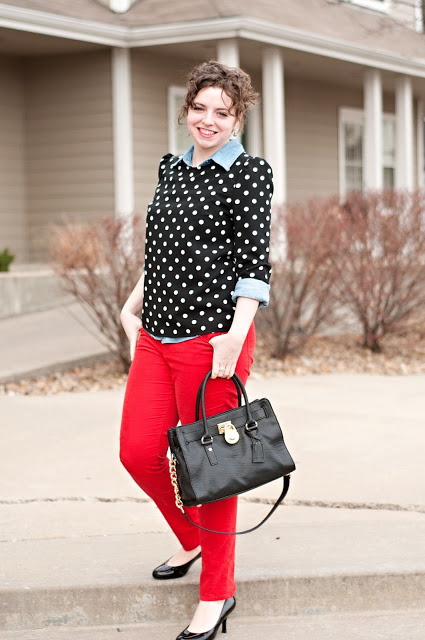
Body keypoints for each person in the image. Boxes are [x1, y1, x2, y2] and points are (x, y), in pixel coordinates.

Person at [119, 60, 273, 640]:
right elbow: (161, 250)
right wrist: (130, 305)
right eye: (200, 109)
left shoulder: (249, 174)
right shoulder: (172, 168)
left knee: (214, 469)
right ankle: (193, 539)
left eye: (223, 112)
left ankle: (217, 594)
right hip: (155, 336)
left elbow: (253, 265)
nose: (208, 120)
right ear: (187, 110)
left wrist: (236, 335)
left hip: (213, 341)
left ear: (237, 119)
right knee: (138, 450)